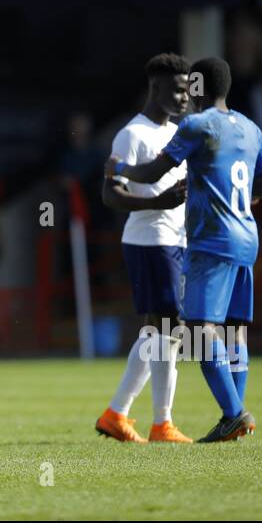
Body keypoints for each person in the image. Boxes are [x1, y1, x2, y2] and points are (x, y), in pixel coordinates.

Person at [112, 57, 262, 443]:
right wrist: (237, 201)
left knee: (200, 332)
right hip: (247, 239)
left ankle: (234, 414)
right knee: (235, 330)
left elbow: (153, 171)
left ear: (199, 87)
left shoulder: (197, 125)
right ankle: (237, 418)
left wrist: (120, 169)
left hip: (211, 240)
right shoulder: (251, 128)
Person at [95, 52, 192, 444]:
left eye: (189, 91)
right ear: (156, 88)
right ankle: (156, 422)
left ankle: (122, 414)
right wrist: (157, 202)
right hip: (149, 241)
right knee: (168, 328)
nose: (185, 98)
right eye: (179, 90)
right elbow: (110, 193)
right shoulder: (131, 135)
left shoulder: (178, 133)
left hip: (177, 240)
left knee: (164, 331)